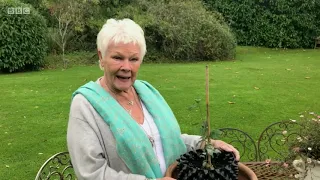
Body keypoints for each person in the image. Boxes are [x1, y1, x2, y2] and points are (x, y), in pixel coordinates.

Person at [67, 18, 240, 180]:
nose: (126, 67)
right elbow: (90, 173)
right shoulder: (85, 105)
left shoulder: (146, 91)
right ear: (101, 57)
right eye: (117, 57)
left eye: (133, 59)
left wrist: (206, 144)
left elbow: (168, 140)